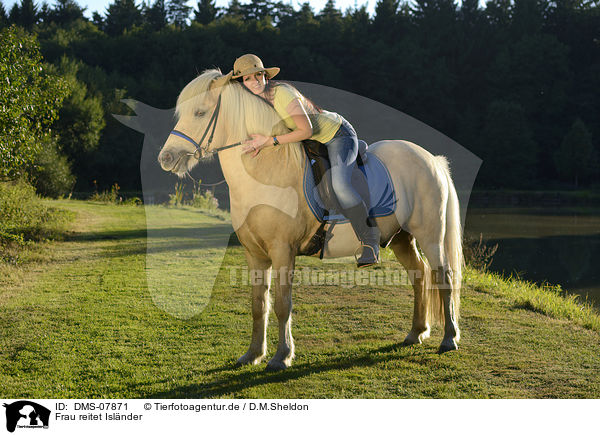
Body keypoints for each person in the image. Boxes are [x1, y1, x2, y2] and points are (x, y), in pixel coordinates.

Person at [231, 54, 379, 267]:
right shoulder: (258, 102)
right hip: (310, 141)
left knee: (340, 185)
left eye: (258, 75)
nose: (254, 81)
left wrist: (269, 141)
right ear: (243, 83)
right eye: (247, 79)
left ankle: (369, 240)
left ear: (264, 75)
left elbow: (306, 129)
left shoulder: (281, 94)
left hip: (336, 134)